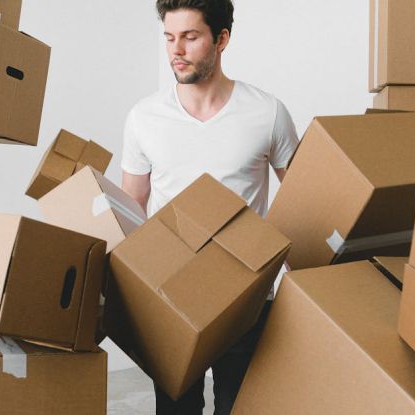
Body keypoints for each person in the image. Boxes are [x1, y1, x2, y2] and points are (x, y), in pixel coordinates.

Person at [121, 0, 299, 413]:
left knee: (238, 407)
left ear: (222, 39)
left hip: (246, 299)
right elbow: (131, 208)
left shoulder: (267, 113)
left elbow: (302, 203)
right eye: (169, 38)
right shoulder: (144, 117)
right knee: (175, 409)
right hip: (171, 298)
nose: (176, 51)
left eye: (190, 37)